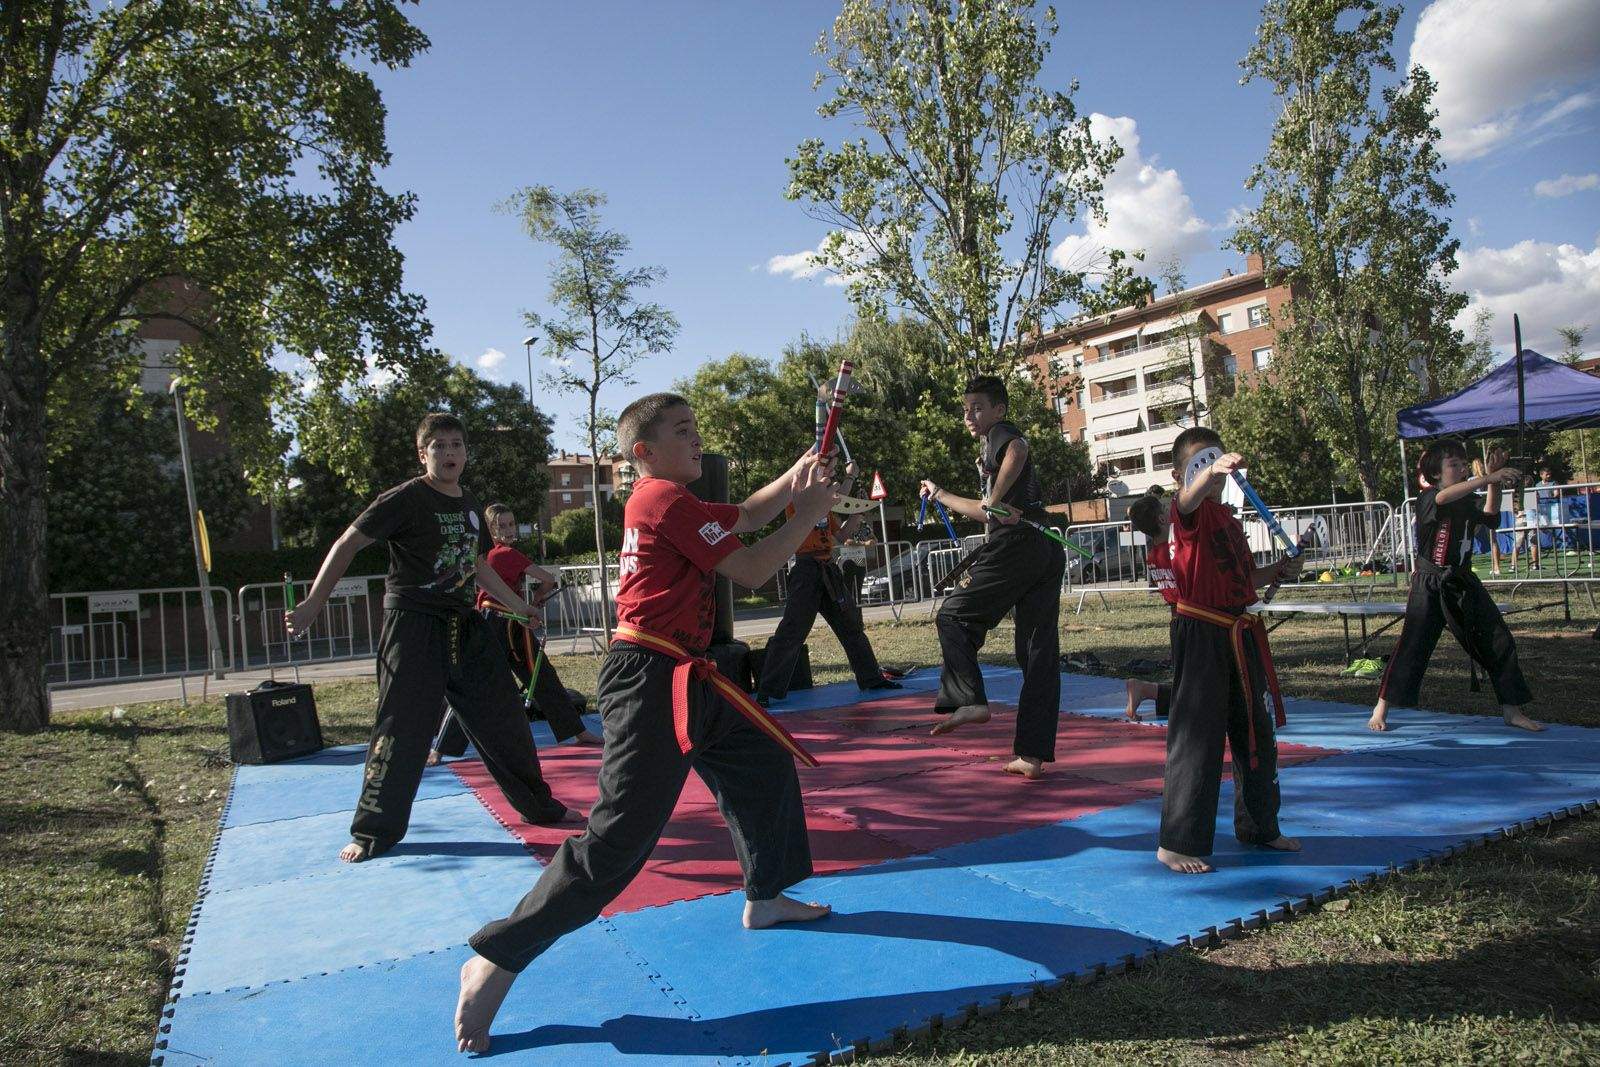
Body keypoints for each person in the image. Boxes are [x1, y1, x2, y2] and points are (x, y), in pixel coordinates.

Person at [455, 393, 840, 1053]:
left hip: (688, 673)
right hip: (650, 680)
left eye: (696, 429)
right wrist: (807, 512)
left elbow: (750, 514)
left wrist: (796, 474)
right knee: (616, 843)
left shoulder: (674, 501)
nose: (697, 439)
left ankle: (767, 894)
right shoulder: (662, 499)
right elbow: (752, 568)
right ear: (644, 451)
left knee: (760, 759)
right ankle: (497, 956)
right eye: (683, 431)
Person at [287, 413, 579, 865]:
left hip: (465, 625)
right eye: (439, 446)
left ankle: (538, 806)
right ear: (423, 454)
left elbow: (476, 566)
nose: (449, 453)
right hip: (413, 624)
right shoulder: (405, 499)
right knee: (401, 726)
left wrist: (518, 605)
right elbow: (347, 543)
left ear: (466, 452)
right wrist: (313, 603)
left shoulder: (470, 504)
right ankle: (373, 831)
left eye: (456, 444)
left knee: (505, 716)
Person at [1158, 427, 1304, 875]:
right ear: (1180, 475)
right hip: (1201, 630)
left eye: (1216, 458)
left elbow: (1244, 578)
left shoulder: (1226, 518)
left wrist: (1279, 570)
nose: (1212, 468)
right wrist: (1208, 472)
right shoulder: (1187, 513)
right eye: (1200, 463)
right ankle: (1177, 842)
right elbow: (1186, 501)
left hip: (1239, 631)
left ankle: (1260, 826)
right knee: (1197, 737)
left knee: (1256, 730)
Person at [917, 375, 1065, 780]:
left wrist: (995, 500)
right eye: (965, 409)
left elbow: (1019, 449)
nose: (969, 415)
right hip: (1043, 546)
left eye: (977, 407)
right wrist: (942, 494)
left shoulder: (1001, 434)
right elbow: (986, 512)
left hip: (1018, 546)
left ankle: (969, 698)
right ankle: (1031, 755)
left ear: (998, 409)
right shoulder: (989, 447)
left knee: (952, 615)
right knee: (1037, 652)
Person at [1369, 444, 1542, 733]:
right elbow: (1442, 498)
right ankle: (1381, 707)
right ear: (1436, 473)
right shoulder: (1428, 498)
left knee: (1499, 640)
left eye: (1463, 464)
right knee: (1413, 646)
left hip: (1462, 582)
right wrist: (1488, 478)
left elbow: (1491, 517)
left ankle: (1512, 710)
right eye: (1453, 465)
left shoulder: (1468, 499)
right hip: (1430, 583)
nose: (1461, 469)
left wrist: (1493, 480)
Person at [429, 503, 600, 764]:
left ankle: (441, 749)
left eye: (511, 524)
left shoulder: (486, 555)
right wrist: (538, 597)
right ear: (490, 529)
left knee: (521, 678)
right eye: (501, 526)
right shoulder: (506, 554)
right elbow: (548, 579)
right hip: (501, 623)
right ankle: (578, 731)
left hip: (506, 622)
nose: (508, 530)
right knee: (532, 677)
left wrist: (528, 604)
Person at [756, 461, 901, 706]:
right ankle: (767, 691)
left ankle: (871, 678)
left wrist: (857, 514)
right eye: (823, 474)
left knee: (850, 625)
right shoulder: (797, 499)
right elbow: (835, 498)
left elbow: (840, 536)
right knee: (792, 631)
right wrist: (850, 477)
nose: (827, 479)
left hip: (827, 569)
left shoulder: (824, 510)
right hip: (806, 571)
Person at [1125, 488, 1174, 722]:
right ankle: (1144, 689)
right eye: (1165, 509)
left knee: (1192, 680)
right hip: (1191, 619)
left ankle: (1145, 690)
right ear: (1162, 519)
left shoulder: (1153, 555)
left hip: (1178, 619)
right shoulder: (1173, 552)